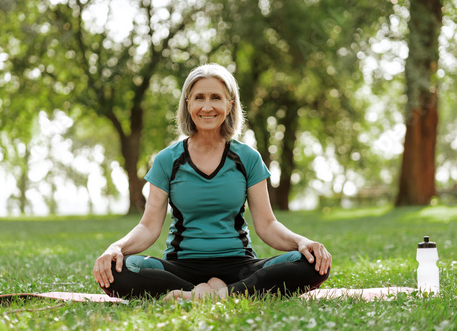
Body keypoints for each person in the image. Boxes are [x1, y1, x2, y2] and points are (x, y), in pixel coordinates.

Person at [93, 63, 331, 300]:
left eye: (216, 98)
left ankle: (205, 294)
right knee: (118, 270)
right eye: (199, 98)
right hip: (181, 267)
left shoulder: (248, 158)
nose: (207, 107)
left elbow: (267, 225)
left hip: (239, 266)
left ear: (230, 105)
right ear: (188, 104)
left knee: (311, 263)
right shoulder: (167, 160)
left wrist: (302, 242)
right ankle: (224, 292)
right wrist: (116, 248)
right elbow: (148, 227)